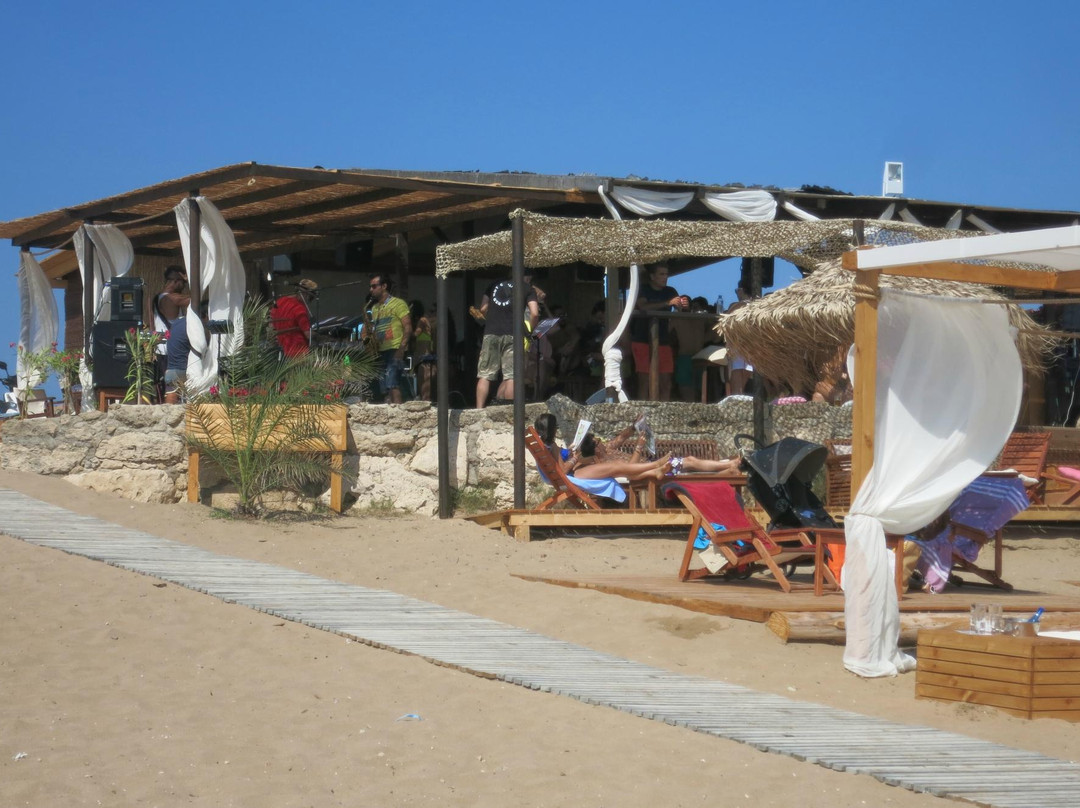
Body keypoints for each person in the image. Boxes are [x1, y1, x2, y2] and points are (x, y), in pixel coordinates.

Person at [474, 274, 539, 408]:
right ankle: (510, 412)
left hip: (491, 332)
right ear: (526, 277)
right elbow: (534, 313)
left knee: (485, 374)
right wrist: (530, 330)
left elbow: (483, 309)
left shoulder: (494, 284)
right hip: (513, 333)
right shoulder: (527, 288)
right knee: (512, 375)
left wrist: (494, 318)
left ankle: (478, 411)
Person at [630, 263, 688, 401]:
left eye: (666, 274)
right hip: (642, 339)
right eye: (661, 274)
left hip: (663, 340)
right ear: (652, 276)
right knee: (644, 382)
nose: (665, 277)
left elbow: (679, 310)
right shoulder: (643, 289)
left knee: (666, 382)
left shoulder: (670, 291)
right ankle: (642, 414)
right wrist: (667, 303)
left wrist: (683, 305)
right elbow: (643, 306)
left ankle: (663, 415)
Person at [368, 273, 411, 404]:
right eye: (370, 287)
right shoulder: (375, 308)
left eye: (374, 286)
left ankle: (398, 415)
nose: (371, 289)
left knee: (393, 384)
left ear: (384, 286)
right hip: (381, 351)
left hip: (394, 348)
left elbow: (408, 327)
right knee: (384, 387)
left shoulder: (398, 304)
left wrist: (401, 348)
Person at [149, 266, 190, 397]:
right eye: (183, 283)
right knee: (174, 389)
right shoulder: (174, 299)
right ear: (176, 281)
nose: (184, 286)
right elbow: (197, 299)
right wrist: (192, 281)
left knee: (162, 389)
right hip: (172, 350)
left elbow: (152, 326)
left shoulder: (154, 299)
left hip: (158, 349)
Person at [271, 279, 316, 358]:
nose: (309, 301)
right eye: (311, 298)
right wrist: (320, 334)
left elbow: (271, 323)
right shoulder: (299, 309)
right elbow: (308, 335)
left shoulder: (280, 302)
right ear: (306, 294)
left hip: (282, 350)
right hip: (299, 352)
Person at [409, 299, 436, 402]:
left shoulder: (422, 320)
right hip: (422, 353)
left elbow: (416, 334)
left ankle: (426, 400)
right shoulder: (424, 320)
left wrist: (405, 329)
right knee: (422, 380)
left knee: (424, 380)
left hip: (424, 354)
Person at [164, 318, 191, 404]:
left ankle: (167, 415)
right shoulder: (192, 324)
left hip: (170, 370)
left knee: (170, 405)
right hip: (183, 369)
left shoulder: (177, 323)